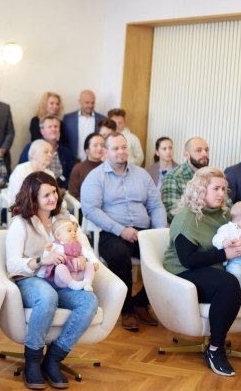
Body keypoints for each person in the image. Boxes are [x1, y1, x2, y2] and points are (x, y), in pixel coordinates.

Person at [163, 166, 241, 377]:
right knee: (229, 284)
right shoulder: (186, 218)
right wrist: (226, 253)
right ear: (201, 190)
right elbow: (188, 260)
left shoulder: (224, 214)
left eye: (223, 189)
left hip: (218, 267)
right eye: (215, 188)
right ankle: (215, 349)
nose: (221, 194)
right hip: (185, 272)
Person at [5, 171, 99, 389]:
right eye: (46, 195)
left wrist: (84, 260)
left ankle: (54, 359)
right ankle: (33, 360)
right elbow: (13, 265)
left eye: (54, 192)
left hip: (63, 280)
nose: (53, 198)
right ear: (33, 197)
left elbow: (85, 248)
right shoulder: (21, 223)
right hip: (30, 280)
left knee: (89, 301)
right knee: (47, 296)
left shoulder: (66, 220)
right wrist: (41, 260)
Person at [80, 132, 166, 331]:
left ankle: (141, 303)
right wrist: (121, 230)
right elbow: (91, 210)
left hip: (143, 232)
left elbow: (156, 205)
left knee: (167, 256)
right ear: (106, 151)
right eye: (115, 148)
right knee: (119, 257)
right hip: (111, 233)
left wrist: (159, 233)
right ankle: (126, 310)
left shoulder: (141, 174)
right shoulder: (95, 177)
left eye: (124, 147)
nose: (121, 151)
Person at [160, 136, 210, 223]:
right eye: (198, 150)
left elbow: (227, 206)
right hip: (189, 226)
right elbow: (172, 213)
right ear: (186, 155)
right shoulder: (173, 177)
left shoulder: (213, 176)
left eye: (206, 150)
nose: (204, 154)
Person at [42, 216, 97, 291]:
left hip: (78, 275)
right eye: (69, 231)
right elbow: (46, 259)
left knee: (89, 264)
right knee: (60, 267)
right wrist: (47, 251)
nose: (74, 233)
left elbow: (88, 253)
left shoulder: (78, 245)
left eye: (75, 231)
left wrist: (94, 261)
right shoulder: (56, 246)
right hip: (63, 280)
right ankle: (72, 284)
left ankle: (87, 283)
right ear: (58, 236)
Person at [18, 116, 74, 188]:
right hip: (35, 189)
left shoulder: (66, 152)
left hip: (61, 190)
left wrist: (62, 188)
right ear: (42, 131)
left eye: (56, 126)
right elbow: (23, 170)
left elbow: (70, 175)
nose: (53, 129)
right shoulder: (31, 148)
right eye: (49, 127)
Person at [63, 90, 106, 162]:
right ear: (80, 102)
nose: (90, 105)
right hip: (73, 161)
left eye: (93, 103)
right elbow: (64, 141)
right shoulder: (68, 119)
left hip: (94, 161)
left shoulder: (102, 119)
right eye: (87, 102)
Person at [68, 132, 105, 199]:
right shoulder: (78, 169)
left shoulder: (108, 167)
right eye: (95, 145)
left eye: (102, 145)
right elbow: (73, 196)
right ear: (87, 149)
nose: (99, 148)